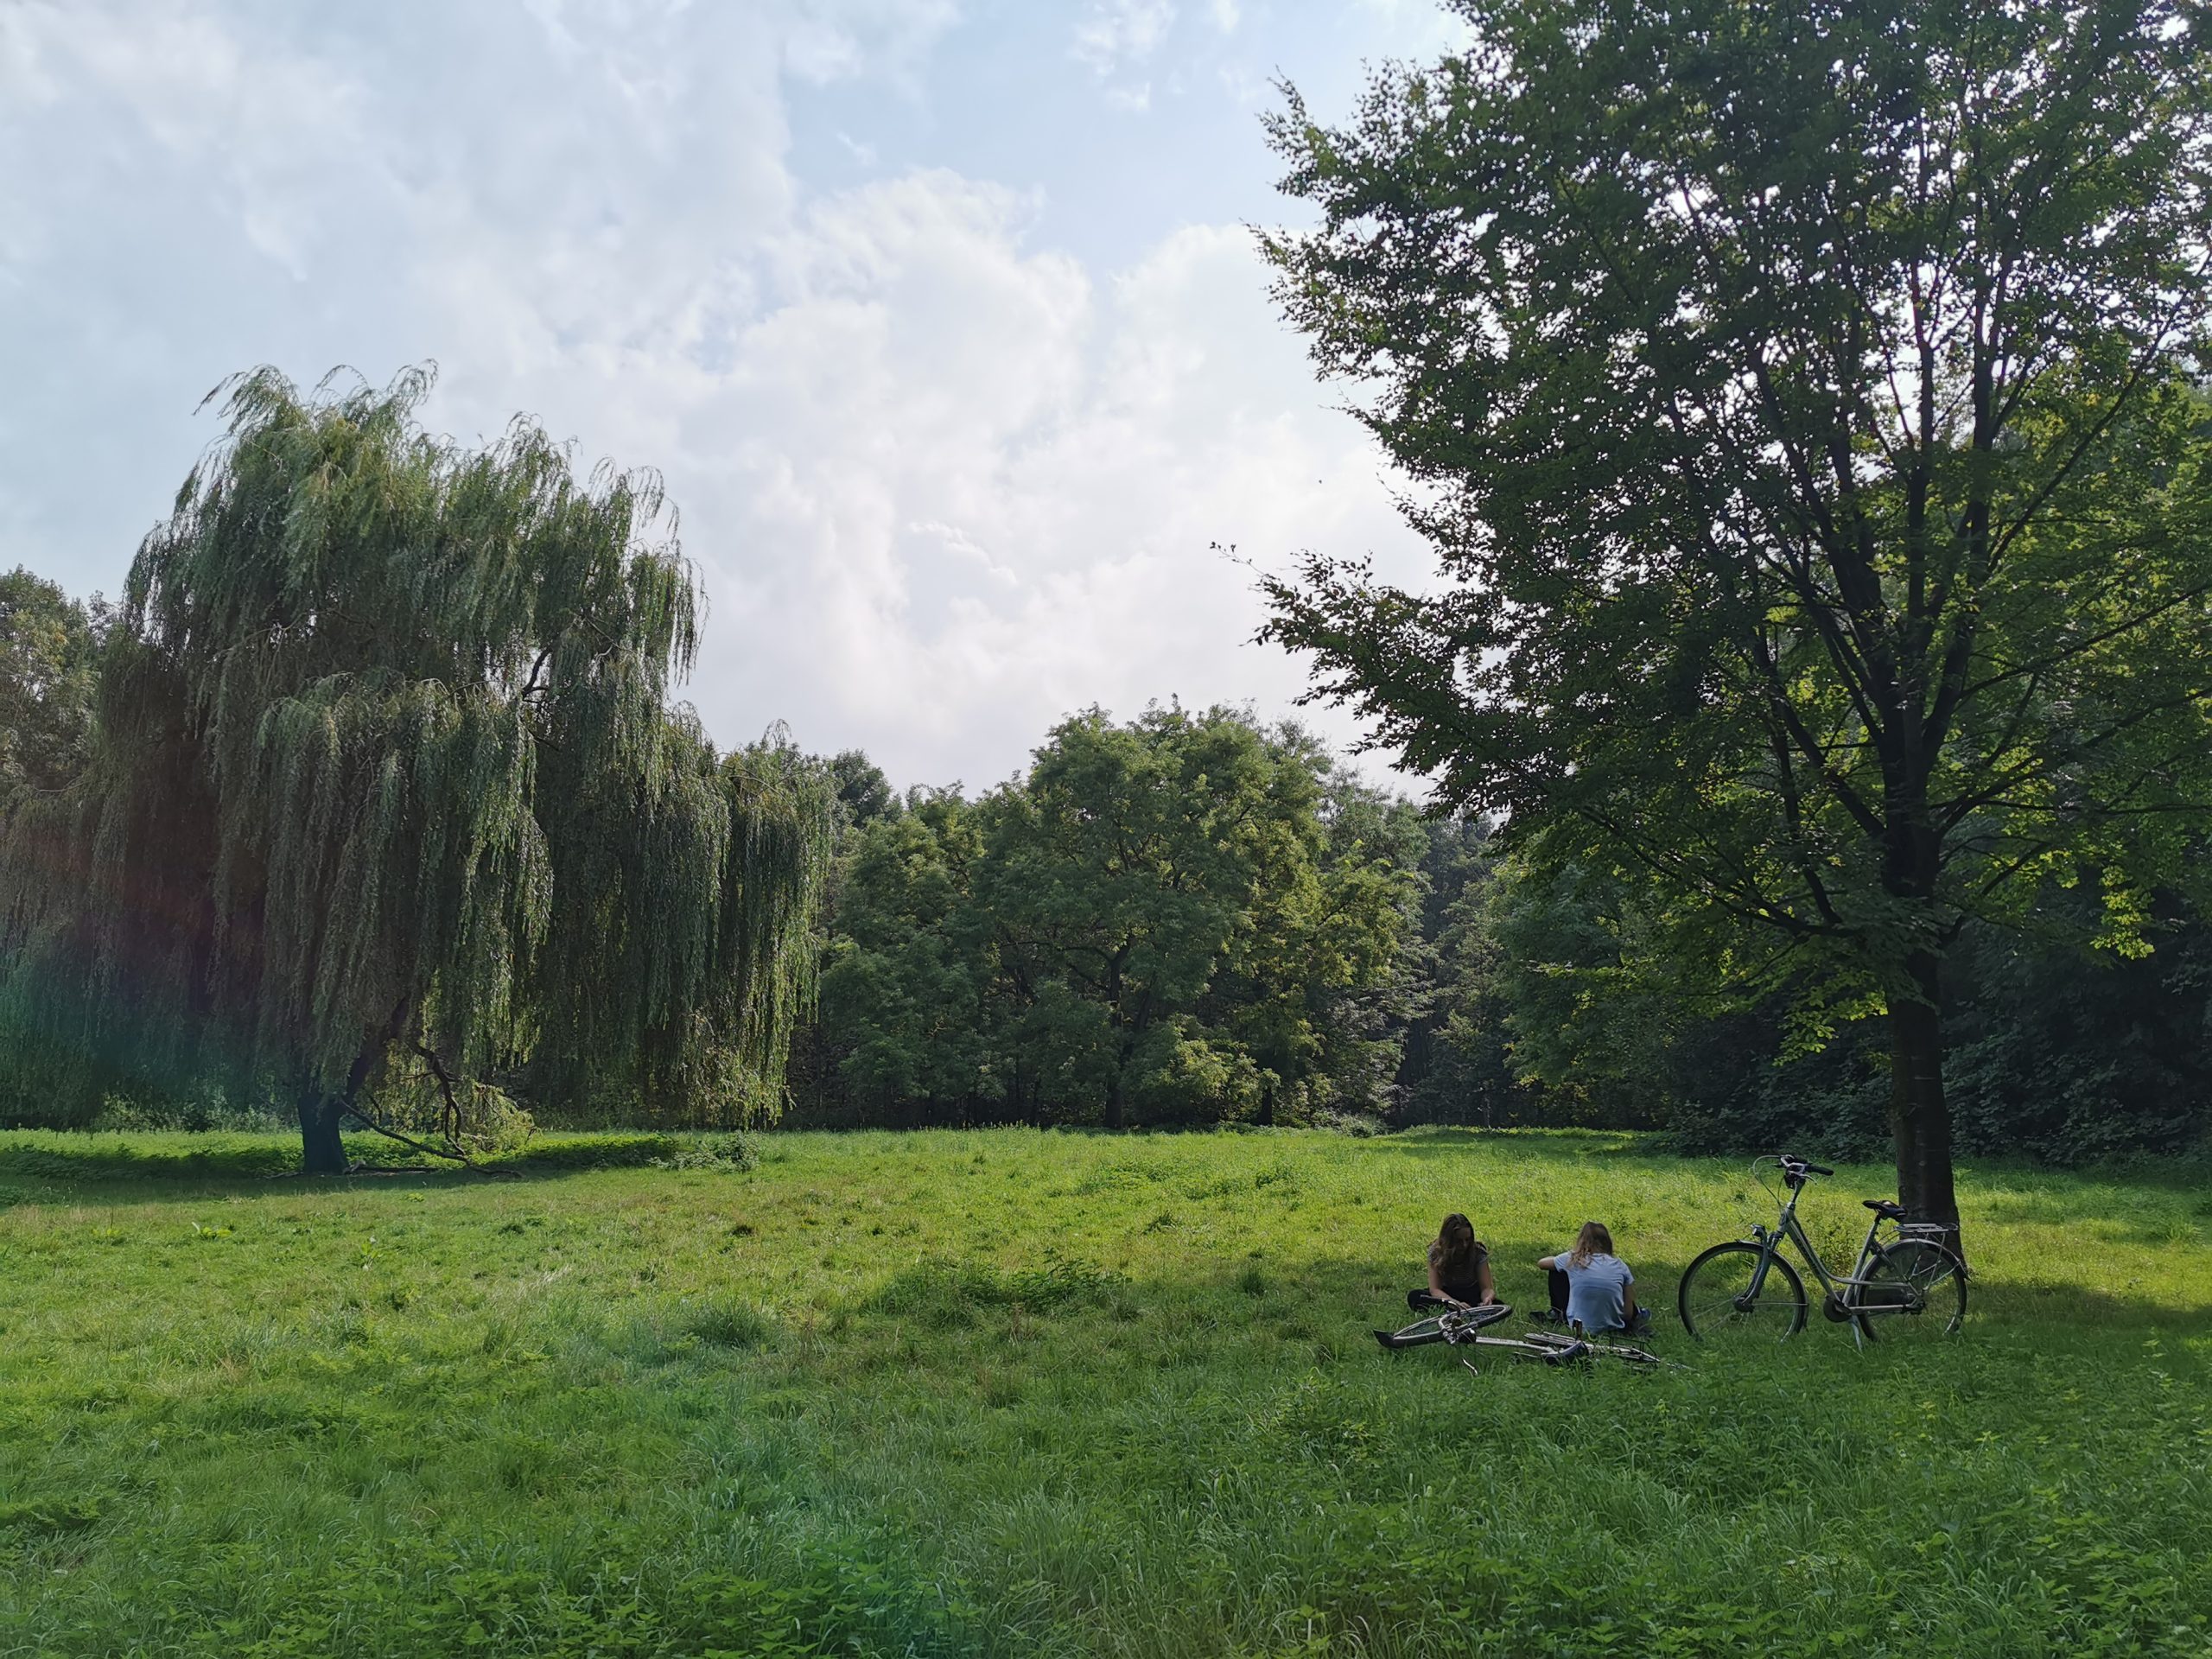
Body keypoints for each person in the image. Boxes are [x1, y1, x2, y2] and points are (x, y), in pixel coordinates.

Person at [1538, 1221, 1649, 1334]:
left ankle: (1558, 1312)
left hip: (1580, 1327)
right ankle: (1639, 1312)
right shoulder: (1620, 1265)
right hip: (1614, 1327)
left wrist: (1563, 1257)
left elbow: (1542, 1263)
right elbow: (1628, 1313)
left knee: (1557, 1270)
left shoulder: (1573, 1259)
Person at [1408, 1211, 1495, 1312]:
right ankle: (1456, 1309)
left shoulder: (1478, 1252)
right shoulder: (1436, 1252)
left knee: (1498, 1305)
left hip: (1471, 1292)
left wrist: (1487, 1298)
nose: (1464, 1245)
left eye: (1467, 1240)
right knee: (1416, 1296)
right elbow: (1435, 1289)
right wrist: (1454, 1303)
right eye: (1459, 1241)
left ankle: (1468, 1309)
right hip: (1447, 1294)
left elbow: (1486, 1288)